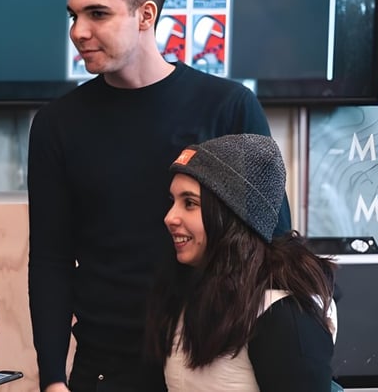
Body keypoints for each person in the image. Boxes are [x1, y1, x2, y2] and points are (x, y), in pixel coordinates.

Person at [27, 0, 291, 391]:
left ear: (145, 15)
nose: (79, 31)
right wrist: (52, 377)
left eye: (97, 14)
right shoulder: (57, 125)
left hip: (209, 358)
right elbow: (50, 260)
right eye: (74, 16)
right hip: (105, 363)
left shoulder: (228, 107)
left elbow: (275, 243)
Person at [144, 133, 337, 391]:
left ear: (231, 217)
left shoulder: (285, 316)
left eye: (189, 203)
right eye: (173, 202)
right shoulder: (182, 293)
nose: (170, 217)